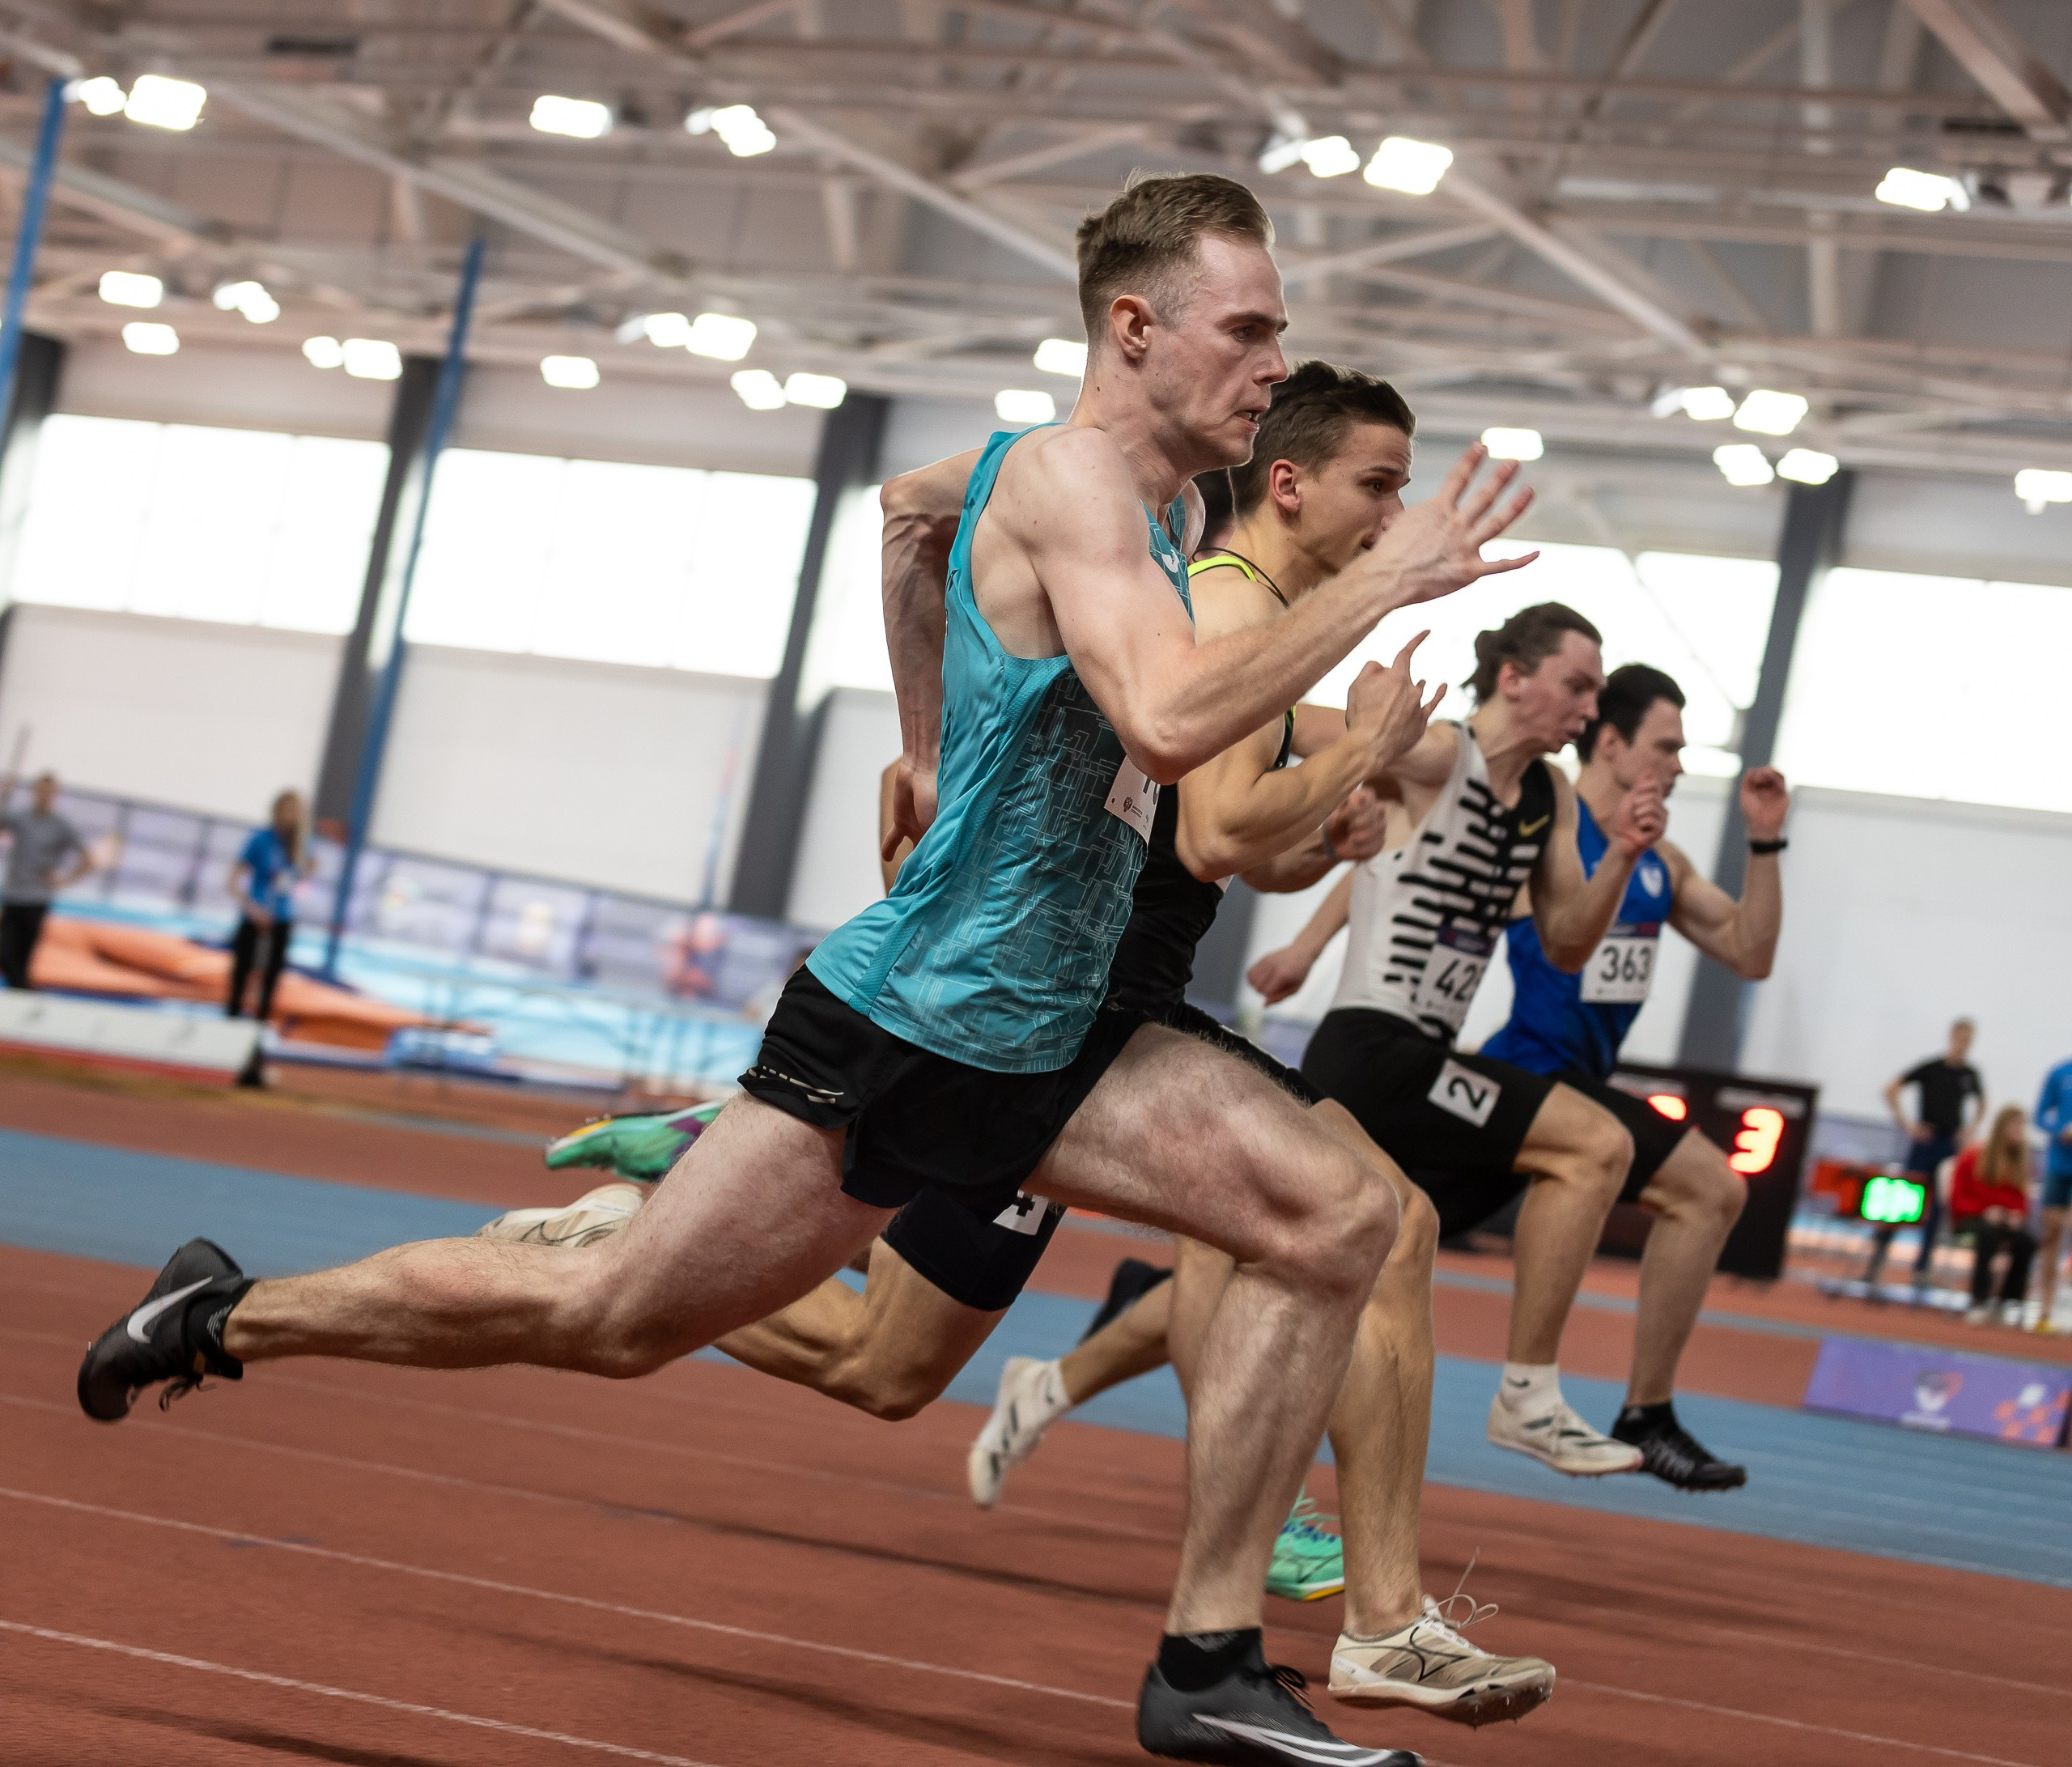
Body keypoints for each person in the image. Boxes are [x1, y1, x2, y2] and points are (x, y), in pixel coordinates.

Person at [80, 171, 1536, 1766]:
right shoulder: (1064, 481)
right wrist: (1382, 583)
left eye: (1280, 335)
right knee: (611, 1315)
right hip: (924, 1014)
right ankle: (228, 1310)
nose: (1272, 366)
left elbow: (908, 518)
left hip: (1055, 1026)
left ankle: (1206, 1658)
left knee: (1335, 1214)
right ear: (1137, 327)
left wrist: (925, 745)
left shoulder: (1161, 509)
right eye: (1249, 330)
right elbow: (1172, 723)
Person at [491, 363, 1560, 1726]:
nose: (1395, 514)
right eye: (1379, 485)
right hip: (1068, 1022)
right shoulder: (1225, 591)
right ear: (1289, 481)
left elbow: (1226, 846)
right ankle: (1364, 1612)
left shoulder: (1256, 608)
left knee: (891, 1369)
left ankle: (629, 1245)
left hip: (1095, 1010)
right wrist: (1353, 765)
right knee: (1372, 1221)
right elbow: (1219, 823)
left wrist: (1325, 827)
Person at [1250, 604, 1667, 1482]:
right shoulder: (1439, 755)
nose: (1591, 712)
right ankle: (1525, 1395)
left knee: (1336, 1265)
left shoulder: (1548, 795)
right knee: (1596, 1145)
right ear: (1514, 677)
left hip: (1422, 1059)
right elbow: (1274, 720)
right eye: (1578, 687)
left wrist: (1622, 856)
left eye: (1596, 692)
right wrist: (1359, 721)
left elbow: (1564, 943)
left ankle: (1141, 1372)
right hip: (1370, 1049)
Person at [1475, 664, 1785, 1490]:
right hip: (1517, 1072)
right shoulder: (1541, 828)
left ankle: (1645, 1411)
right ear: (1609, 743)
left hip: (1580, 1086)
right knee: (1353, 1236)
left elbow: (1749, 952)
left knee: (1712, 1189)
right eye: (1666, 746)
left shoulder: (1662, 862)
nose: (1679, 763)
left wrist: (1764, 840)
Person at [1867, 1020, 1985, 1289]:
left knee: (1937, 1207)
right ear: (1952, 1036)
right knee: (1903, 1200)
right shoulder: (1931, 1068)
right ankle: (1877, 1259)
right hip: (1925, 1143)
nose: (1964, 1043)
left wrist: (1971, 1130)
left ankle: (1922, 1268)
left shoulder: (1969, 1074)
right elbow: (1891, 1089)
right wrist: (1907, 1124)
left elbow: (1982, 1102)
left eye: (1969, 1039)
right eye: (1961, 1037)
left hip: (1949, 1146)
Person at [0, 769, 92, 990]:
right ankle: (23, 992)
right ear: (34, 792)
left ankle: (22, 996)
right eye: (40, 791)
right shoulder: (22, 818)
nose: (44, 795)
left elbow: (87, 858)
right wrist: (5, 794)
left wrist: (66, 880)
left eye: (48, 792)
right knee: (5, 951)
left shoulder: (61, 825)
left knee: (23, 953)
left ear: (54, 794)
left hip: (37, 897)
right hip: (14, 893)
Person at [227, 789, 312, 1023]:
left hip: (281, 920)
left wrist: (306, 871)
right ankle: (231, 1021)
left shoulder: (300, 846)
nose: (291, 815)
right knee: (241, 974)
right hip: (255, 918)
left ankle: (259, 1026)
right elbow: (233, 881)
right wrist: (252, 908)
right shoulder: (261, 840)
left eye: (296, 811)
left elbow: (300, 879)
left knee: (271, 979)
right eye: (287, 809)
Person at [1948, 1105, 2038, 1325]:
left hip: (2003, 1223)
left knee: (2027, 1242)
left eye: (2022, 1128)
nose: (2019, 1133)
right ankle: (1979, 1299)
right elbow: (1957, 1200)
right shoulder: (1973, 1156)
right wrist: (1984, 1212)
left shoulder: (2020, 1163)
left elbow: (2021, 1201)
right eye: (2015, 1127)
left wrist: (2015, 1216)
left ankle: (2009, 1302)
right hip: (1971, 1220)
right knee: (1987, 1236)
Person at [2033, 1055, 2072, 1333]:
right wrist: (2060, 1130)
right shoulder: (2060, 1072)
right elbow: (2039, 1115)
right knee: (2051, 1235)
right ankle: (2044, 1310)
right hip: (2058, 1166)